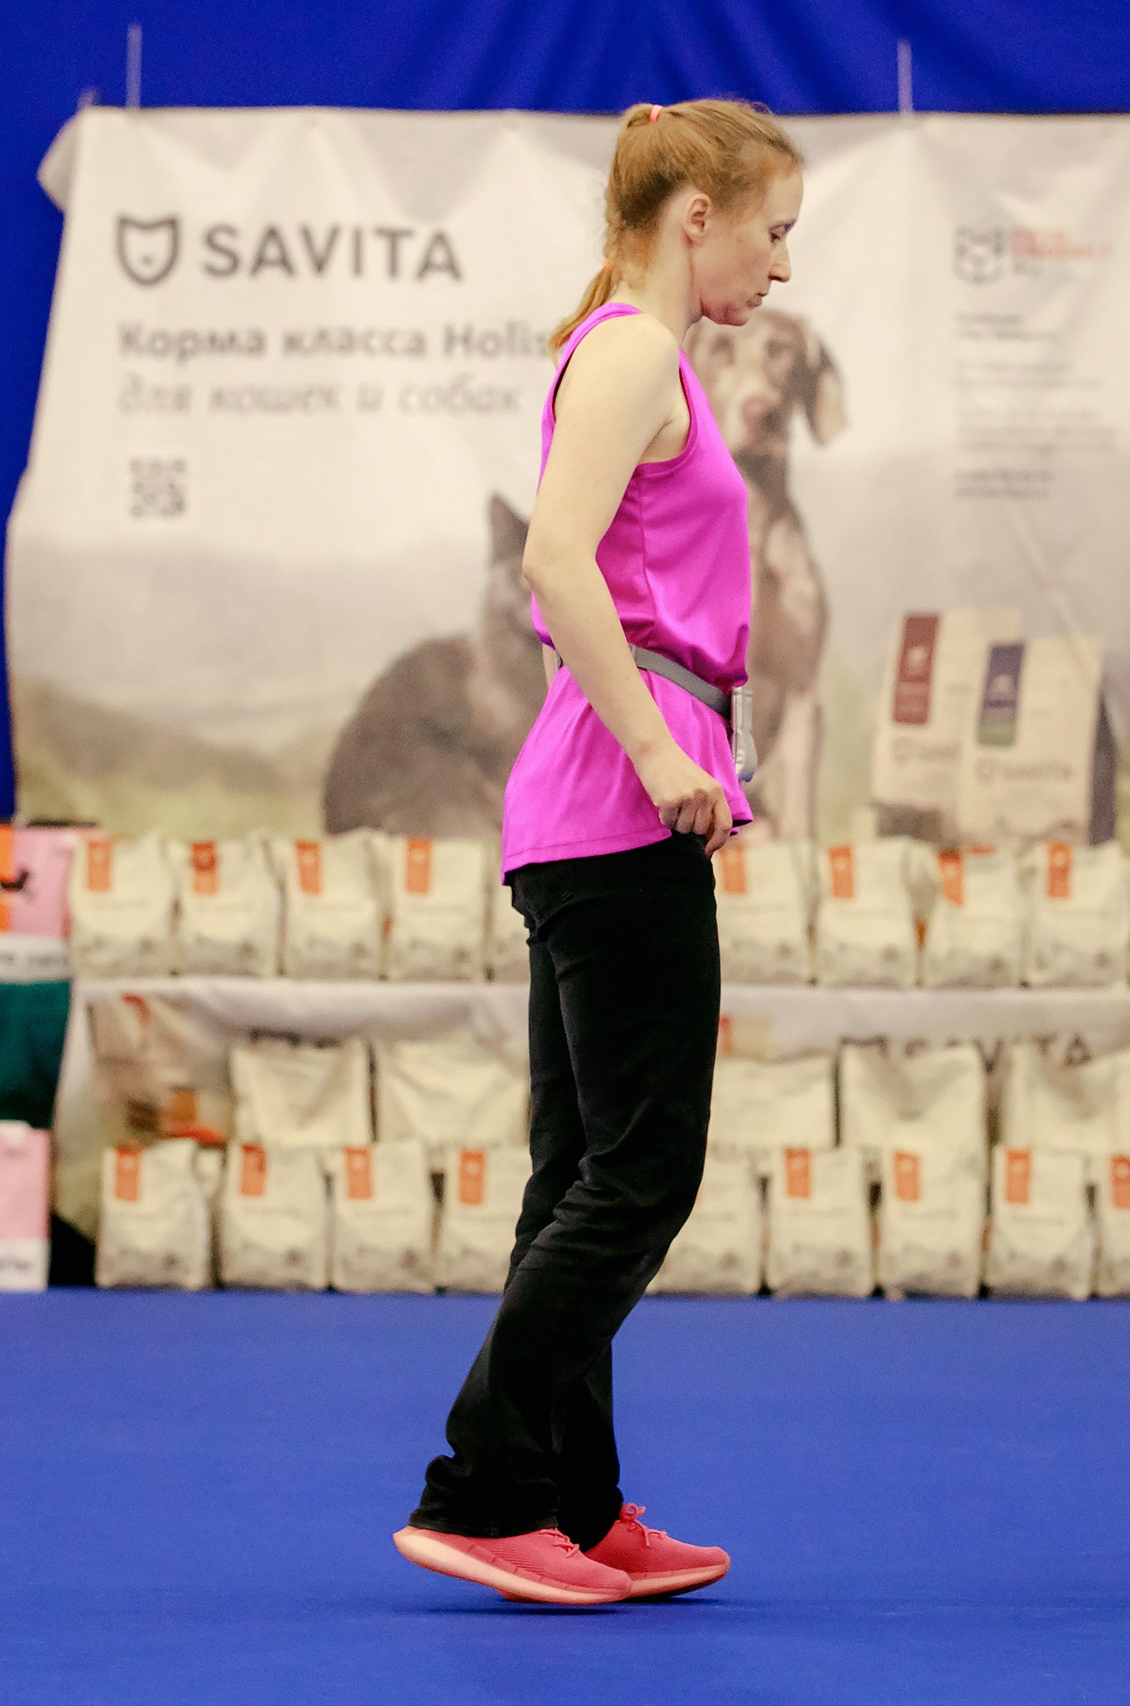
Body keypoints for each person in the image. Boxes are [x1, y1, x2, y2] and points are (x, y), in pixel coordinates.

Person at [391, 98, 805, 1607]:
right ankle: (487, 1483)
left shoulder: (626, 350)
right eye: (771, 233)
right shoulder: (634, 351)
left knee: (582, 1170)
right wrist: (656, 753)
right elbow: (555, 559)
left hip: (589, 807)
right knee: (644, 1171)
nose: (779, 267)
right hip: (618, 800)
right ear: (695, 214)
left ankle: (572, 1495)